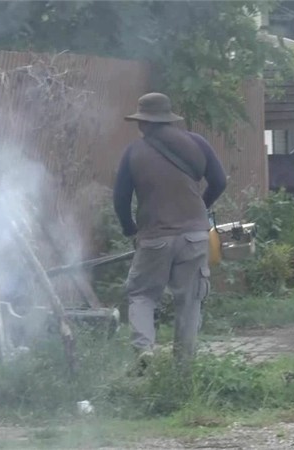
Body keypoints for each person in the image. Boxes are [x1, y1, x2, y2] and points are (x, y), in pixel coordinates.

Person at [113, 92, 227, 367]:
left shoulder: (134, 152)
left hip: (154, 238)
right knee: (189, 301)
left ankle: (144, 349)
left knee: (141, 294)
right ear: (168, 119)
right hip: (195, 236)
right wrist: (201, 206)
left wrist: (131, 231)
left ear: (144, 122)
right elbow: (220, 181)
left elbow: (120, 199)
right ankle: (183, 366)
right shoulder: (196, 143)